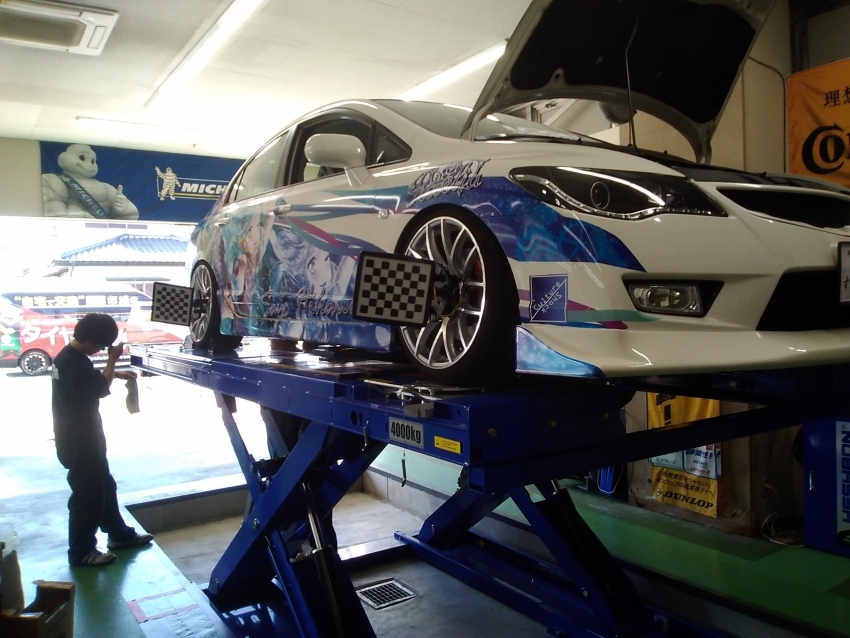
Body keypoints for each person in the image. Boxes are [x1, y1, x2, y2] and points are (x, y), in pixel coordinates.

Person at [51, 313, 152, 566]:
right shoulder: (72, 363)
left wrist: (114, 373)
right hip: (79, 441)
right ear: (88, 338)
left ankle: (119, 535)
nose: (100, 350)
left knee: (105, 486)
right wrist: (112, 360)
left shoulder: (70, 358)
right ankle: (81, 551)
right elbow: (99, 388)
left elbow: (88, 380)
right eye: (100, 345)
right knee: (87, 496)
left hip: (84, 436)